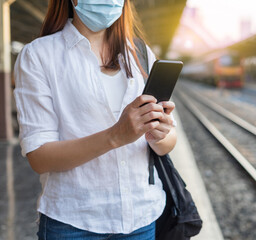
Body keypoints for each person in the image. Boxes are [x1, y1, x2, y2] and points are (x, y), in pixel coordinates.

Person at [13, 0, 177, 239]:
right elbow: (39, 157)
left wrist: (159, 134)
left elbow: (168, 142)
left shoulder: (140, 54)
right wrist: (115, 136)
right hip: (72, 223)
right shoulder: (38, 55)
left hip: (141, 218)